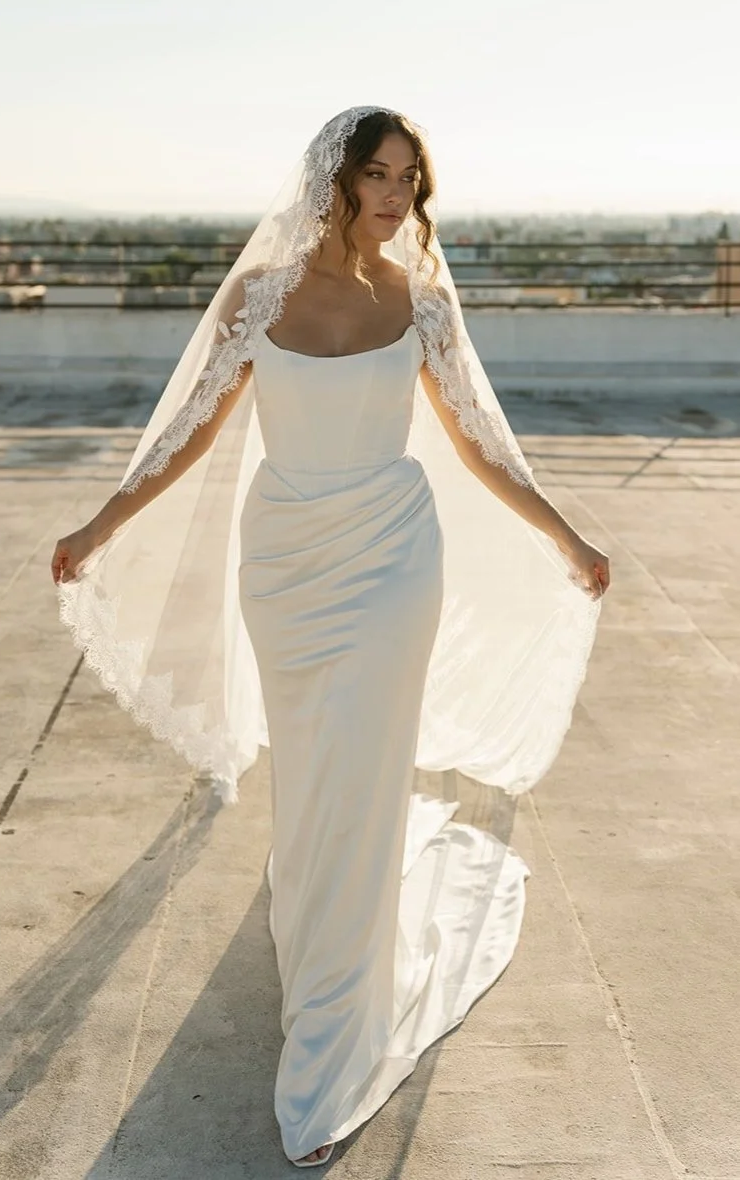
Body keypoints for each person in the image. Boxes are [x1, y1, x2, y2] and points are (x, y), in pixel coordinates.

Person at [51, 106, 610, 1167]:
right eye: (379, 175)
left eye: (410, 178)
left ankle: (332, 1039)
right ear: (337, 182)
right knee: (313, 770)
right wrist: (100, 522)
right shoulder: (257, 296)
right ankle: (317, 923)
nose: (396, 196)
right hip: (287, 566)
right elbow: (188, 435)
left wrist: (569, 538)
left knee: (365, 758)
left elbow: (481, 450)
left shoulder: (424, 302)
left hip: (395, 560)